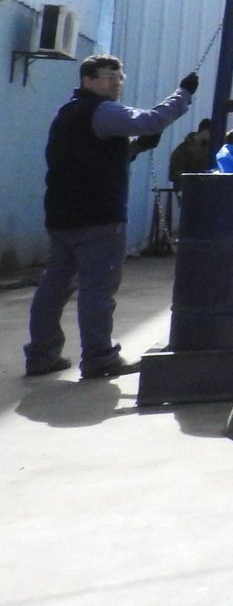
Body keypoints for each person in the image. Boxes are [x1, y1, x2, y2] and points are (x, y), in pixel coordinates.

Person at [23, 56, 198, 378]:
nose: (117, 82)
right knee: (97, 290)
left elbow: (89, 158)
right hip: (98, 217)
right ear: (88, 80)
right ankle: (100, 357)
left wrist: (134, 149)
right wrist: (183, 94)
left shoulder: (67, 113)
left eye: (120, 77)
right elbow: (150, 119)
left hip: (62, 216)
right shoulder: (104, 111)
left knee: (53, 287)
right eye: (109, 77)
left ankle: (41, 355)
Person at [167, 117, 214, 186]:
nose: (213, 137)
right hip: (188, 190)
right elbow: (175, 174)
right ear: (205, 131)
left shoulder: (209, 148)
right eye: (211, 133)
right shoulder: (182, 150)